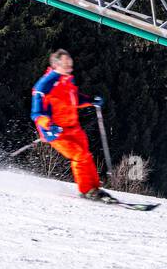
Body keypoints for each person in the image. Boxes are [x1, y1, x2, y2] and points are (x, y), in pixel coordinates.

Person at [30, 49, 108, 200]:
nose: (70, 66)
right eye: (66, 63)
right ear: (56, 65)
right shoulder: (44, 85)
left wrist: (90, 100)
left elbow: (74, 99)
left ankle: (95, 188)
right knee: (79, 155)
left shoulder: (67, 80)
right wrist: (48, 126)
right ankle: (87, 190)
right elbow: (37, 113)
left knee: (86, 155)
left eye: (70, 62)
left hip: (74, 128)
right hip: (56, 132)